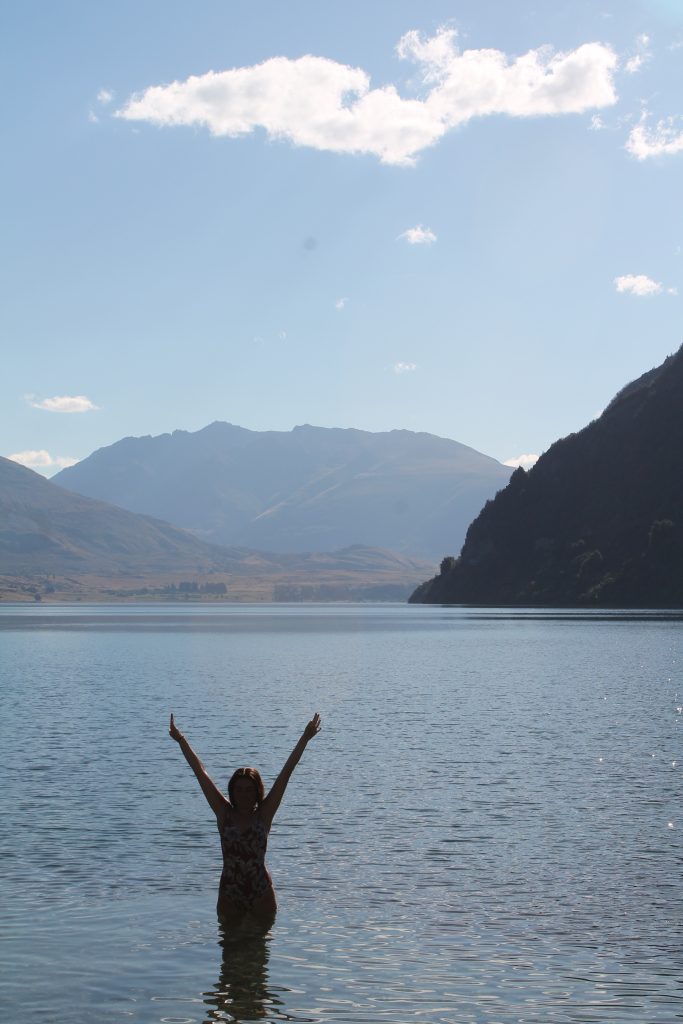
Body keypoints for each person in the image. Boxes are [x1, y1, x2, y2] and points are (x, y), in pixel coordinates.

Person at [169, 712, 321, 923]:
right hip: (230, 893)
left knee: (259, 952)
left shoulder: (264, 814)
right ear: (232, 791)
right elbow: (200, 772)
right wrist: (181, 740)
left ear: (257, 791)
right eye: (239, 789)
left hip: (261, 892)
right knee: (231, 952)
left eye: (249, 790)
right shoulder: (223, 813)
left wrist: (304, 738)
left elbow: (287, 771)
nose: (244, 794)